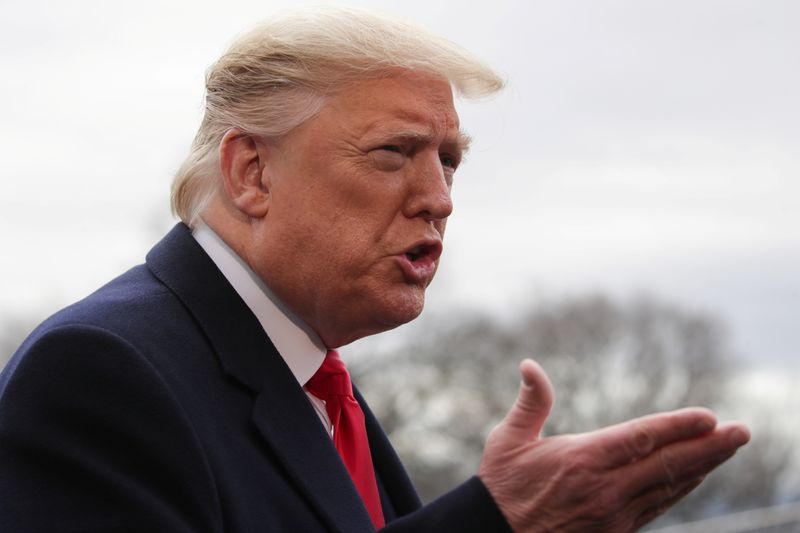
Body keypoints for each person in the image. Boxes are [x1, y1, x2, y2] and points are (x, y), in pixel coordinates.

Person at [0, 7, 749, 532]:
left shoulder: (315, 380)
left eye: (449, 160)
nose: (440, 199)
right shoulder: (100, 369)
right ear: (251, 172)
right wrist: (496, 518)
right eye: (395, 152)